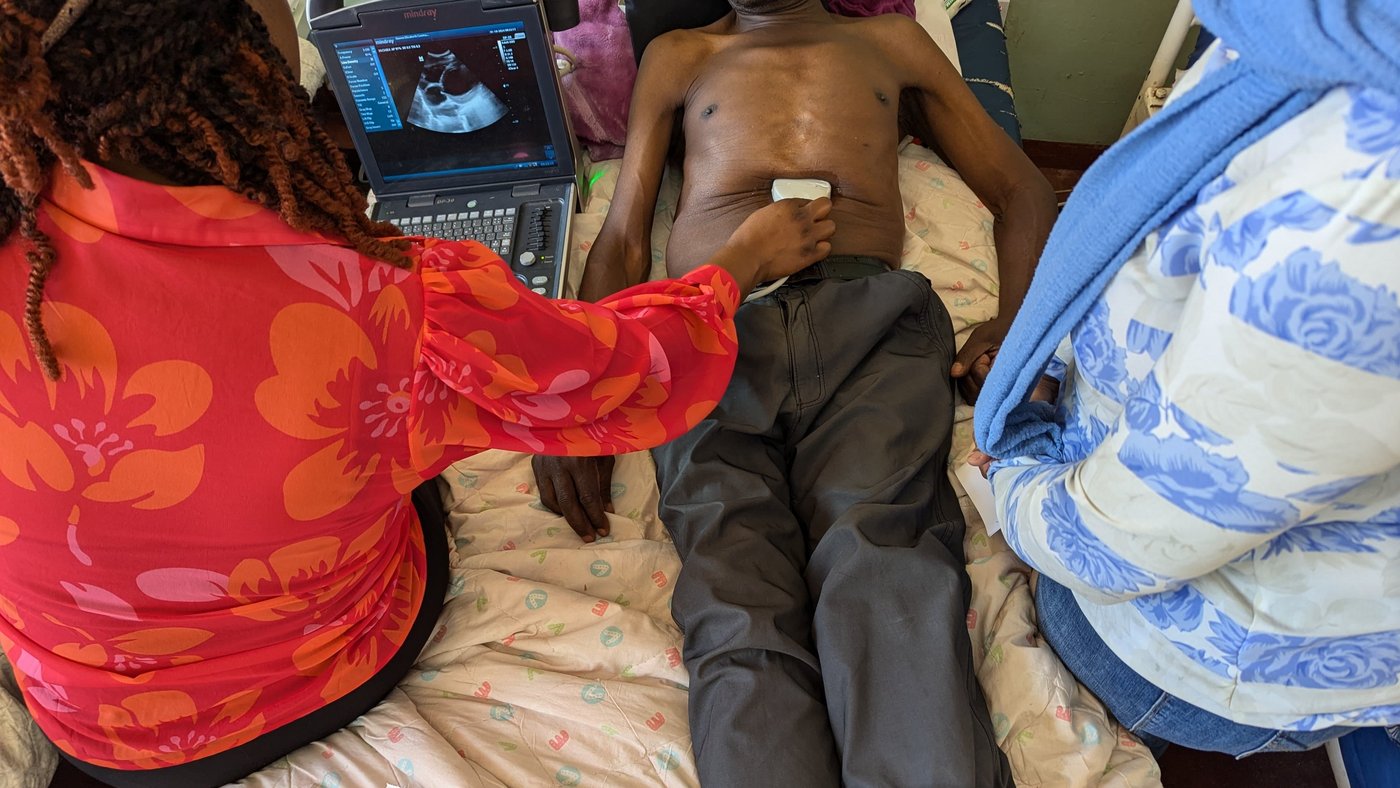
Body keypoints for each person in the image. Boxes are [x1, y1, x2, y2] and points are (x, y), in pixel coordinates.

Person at [0, 0, 836, 785]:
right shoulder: (386, 301)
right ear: (232, 50)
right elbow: (624, 375)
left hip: (87, 725)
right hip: (306, 680)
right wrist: (736, 265)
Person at [532, 1, 1057, 785]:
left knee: (883, 563)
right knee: (732, 585)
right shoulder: (679, 55)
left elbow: (1022, 191)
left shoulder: (890, 43)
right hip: (711, 331)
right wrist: (576, 401)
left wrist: (1018, 333)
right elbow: (622, 237)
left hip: (868, 326)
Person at [972, 0, 1400, 767]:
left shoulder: (1359, 209)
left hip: (1193, 647)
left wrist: (1015, 478)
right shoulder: (1306, 33)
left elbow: (1134, 537)